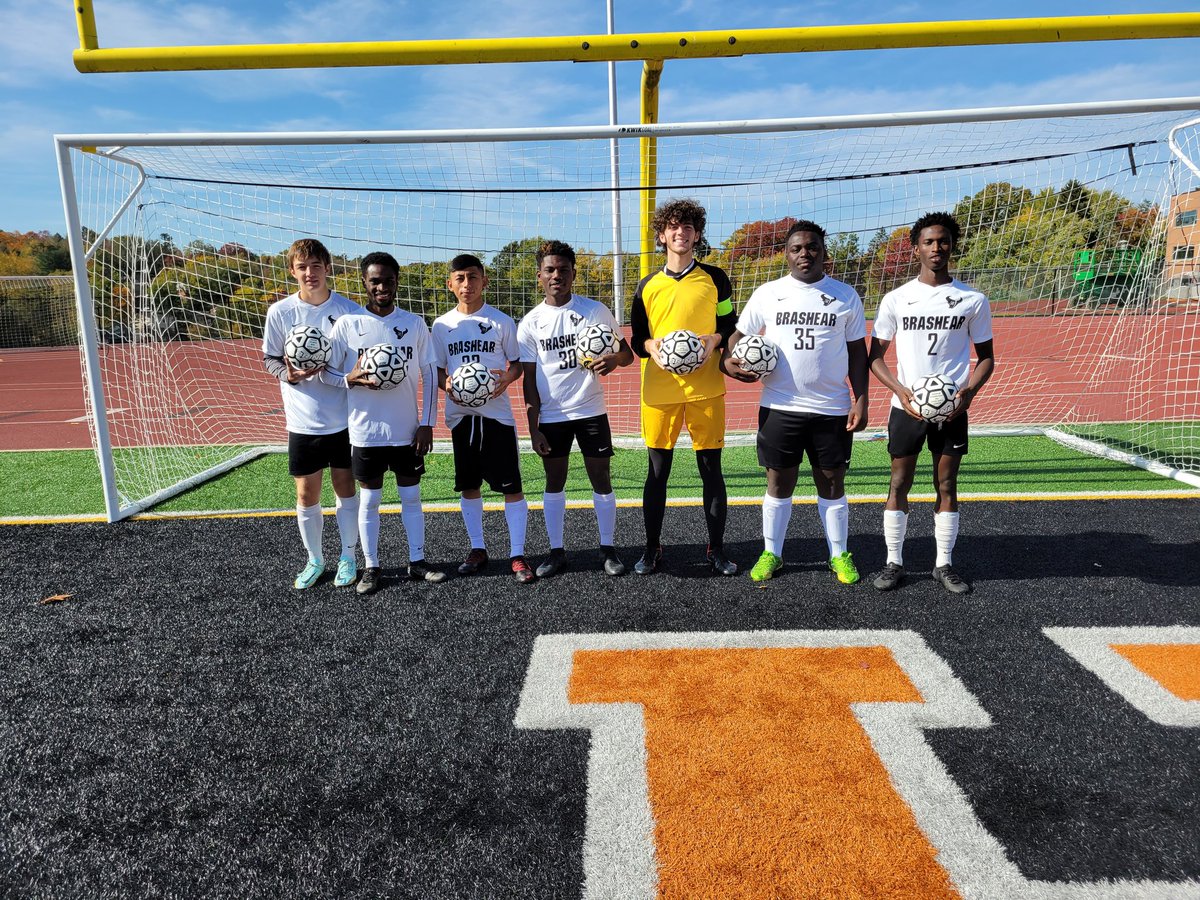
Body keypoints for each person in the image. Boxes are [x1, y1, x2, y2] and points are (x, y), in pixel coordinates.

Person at [724, 220, 869, 585]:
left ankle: (839, 554)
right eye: (797, 248)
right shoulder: (768, 293)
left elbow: (857, 353)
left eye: (812, 247)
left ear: (824, 252)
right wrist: (730, 364)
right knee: (778, 483)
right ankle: (771, 553)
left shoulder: (845, 295)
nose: (805, 253)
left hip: (831, 408)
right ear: (786, 254)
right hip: (780, 405)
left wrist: (862, 399)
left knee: (832, 483)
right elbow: (736, 339)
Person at [868, 212, 995, 594]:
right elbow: (875, 357)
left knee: (947, 484)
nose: (936, 247)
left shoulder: (973, 300)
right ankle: (894, 562)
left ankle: (944, 565)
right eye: (928, 242)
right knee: (899, 482)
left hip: (952, 408)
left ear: (952, 246)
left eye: (943, 241)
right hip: (907, 408)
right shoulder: (897, 298)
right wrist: (900, 390)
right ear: (916, 248)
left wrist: (968, 393)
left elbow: (987, 358)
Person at [322, 251, 445, 595]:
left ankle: (417, 561)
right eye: (375, 281)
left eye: (388, 280)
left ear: (397, 282)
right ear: (364, 282)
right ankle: (372, 567)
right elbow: (327, 372)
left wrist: (427, 423)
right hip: (366, 432)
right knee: (370, 501)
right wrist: (348, 379)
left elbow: (429, 373)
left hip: (407, 431)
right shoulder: (347, 325)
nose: (382, 287)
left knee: (412, 497)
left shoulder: (414, 323)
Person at [630, 198, 738, 576]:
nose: (681, 232)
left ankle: (716, 549)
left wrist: (714, 340)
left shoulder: (715, 278)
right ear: (662, 235)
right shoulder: (647, 286)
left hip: (706, 389)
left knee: (711, 470)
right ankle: (651, 548)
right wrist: (651, 347)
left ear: (697, 235)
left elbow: (729, 324)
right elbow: (638, 339)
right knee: (657, 473)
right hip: (660, 391)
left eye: (688, 227)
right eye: (673, 226)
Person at [517, 240, 635, 577]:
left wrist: (613, 360)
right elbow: (528, 381)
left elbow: (627, 355)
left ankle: (608, 549)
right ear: (539, 276)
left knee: (601, 478)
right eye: (550, 270)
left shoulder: (594, 310)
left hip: (590, 411)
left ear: (573, 274)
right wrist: (533, 428)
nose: (557, 275)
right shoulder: (530, 323)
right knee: (554, 481)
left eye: (563, 270)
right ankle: (556, 552)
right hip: (552, 416)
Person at [262, 238, 361, 590]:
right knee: (306, 495)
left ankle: (348, 557)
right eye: (302, 267)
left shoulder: (349, 311)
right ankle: (315, 559)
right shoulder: (280, 312)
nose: (310, 273)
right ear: (292, 271)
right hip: (302, 421)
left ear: (327, 268)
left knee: (345, 489)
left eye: (316, 266)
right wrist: (287, 374)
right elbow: (270, 358)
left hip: (344, 419)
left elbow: (359, 359)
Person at [431, 254, 533, 584]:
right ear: (450, 284)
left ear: (484, 281)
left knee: (511, 487)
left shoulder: (501, 321)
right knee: (469, 485)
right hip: (461, 417)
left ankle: (517, 554)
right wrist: (447, 384)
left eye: (473, 277)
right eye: (460, 278)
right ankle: (478, 548)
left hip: (497, 416)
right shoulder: (441, 326)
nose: (467, 284)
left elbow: (516, 364)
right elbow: (438, 370)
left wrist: (507, 379)